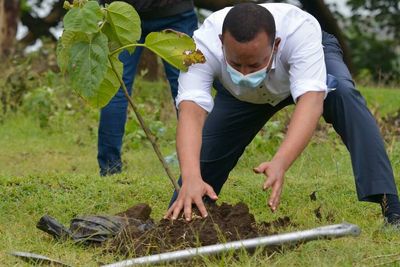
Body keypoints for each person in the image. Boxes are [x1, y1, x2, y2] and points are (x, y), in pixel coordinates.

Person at [165, 3, 400, 227]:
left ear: (276, 45)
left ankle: (392, 208)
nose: (245, 74)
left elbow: (311, 102)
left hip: (305, 70)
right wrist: (191, 175)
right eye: (236, 64)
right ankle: (193, 209)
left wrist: (280, 162)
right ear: (220, 43)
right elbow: (191, 112)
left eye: (254, 65)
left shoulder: (300, 32)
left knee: (344, 95)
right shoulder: (200, 47)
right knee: (194, 178)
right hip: (239, 98)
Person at [97, 0, 198, 176]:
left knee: (115, 88)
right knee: (187, 88)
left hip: (123, 13)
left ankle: (109, 170)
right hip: (174, 10)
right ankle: (200, 166)